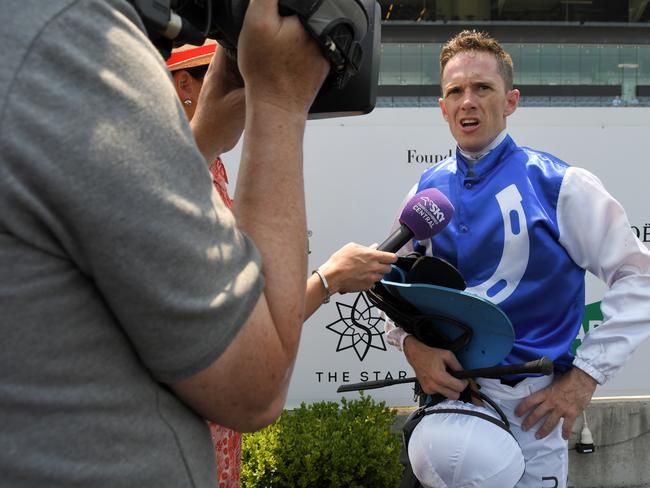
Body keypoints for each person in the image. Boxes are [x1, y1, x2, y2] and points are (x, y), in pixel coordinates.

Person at [0, 0, 343, 486]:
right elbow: (256, 383)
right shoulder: (68, 39)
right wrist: (280, 100)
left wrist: (199, 142)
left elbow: (103, 225)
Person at [385, 30, 650, 487]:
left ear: (510, 101)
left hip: (532, 409)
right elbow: (390, 286)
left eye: (482, 88)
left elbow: (639, 278)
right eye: (456, 91)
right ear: (443, 107)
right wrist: (413, 348)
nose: (468, 101)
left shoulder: (562, 185)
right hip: (448, 404)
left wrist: (585, 376)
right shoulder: (424, 192)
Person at [166, 42, 397, 487]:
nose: (255, 87)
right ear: (184, 85)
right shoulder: (176, 181)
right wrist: (329, 280)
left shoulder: (213, 171)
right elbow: (247, 331)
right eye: (239, 77)